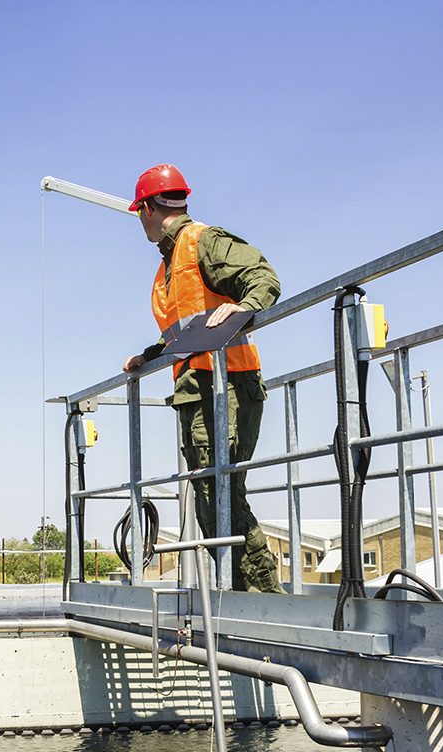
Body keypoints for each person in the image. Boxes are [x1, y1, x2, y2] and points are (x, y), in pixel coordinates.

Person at [121, 164, 284, 593]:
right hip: (199, 389)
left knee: (220, 496)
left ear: (148, 208)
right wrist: (150, 356)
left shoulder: (202, 241)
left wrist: (244, 305)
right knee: (213, 500)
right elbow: (183, 329)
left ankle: (264, 596)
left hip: (225, 386)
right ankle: (245, 593)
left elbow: (263, 277)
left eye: (139, 212)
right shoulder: (170, 264)